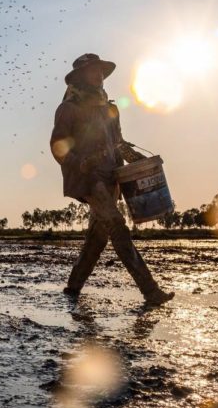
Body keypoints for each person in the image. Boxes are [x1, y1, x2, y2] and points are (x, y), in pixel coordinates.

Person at [50, 53, 173, 306]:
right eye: (93, 71)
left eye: (101, 71)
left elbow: (118, 143)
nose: (99, 75)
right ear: (80, 77)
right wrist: (79, 163)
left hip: (111, 178)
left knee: (98, 238)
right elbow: (57, 146)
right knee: (118, 228)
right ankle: (151, 291)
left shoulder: (111, 109)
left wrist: (138, 160)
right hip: (89, 180)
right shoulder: (68, 109)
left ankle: (73, 288)